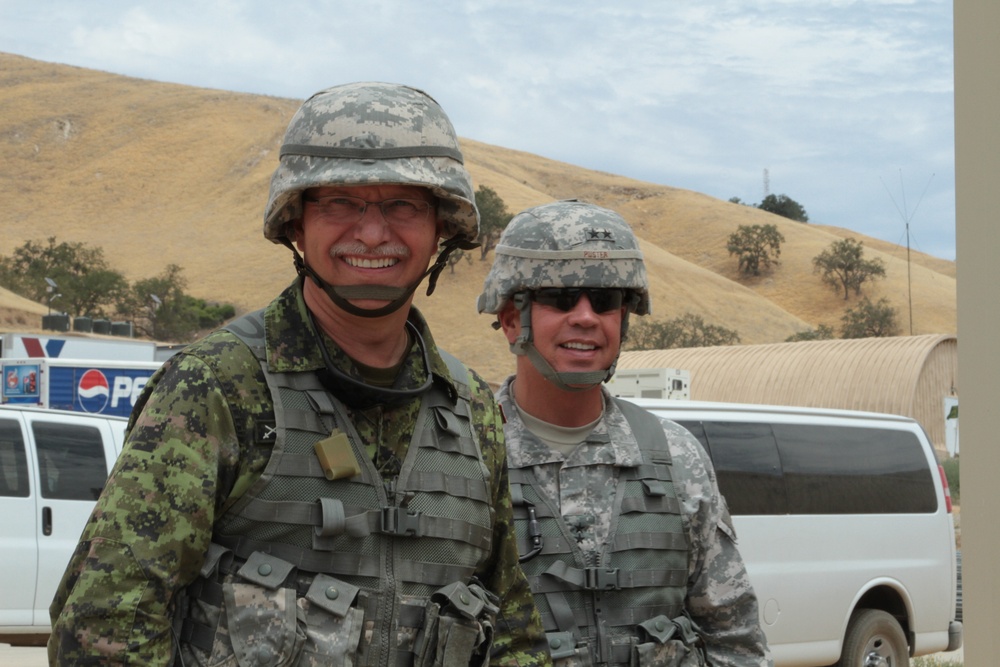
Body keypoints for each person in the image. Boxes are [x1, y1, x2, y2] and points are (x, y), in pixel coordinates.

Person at [49, 82, 551, 667]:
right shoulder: (218, 386)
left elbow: (515, 630)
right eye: (339, 202)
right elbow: (107, 626)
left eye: (403, 206)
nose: (371, 233)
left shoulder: (470, 409)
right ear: (295, 223)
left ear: (442, 227)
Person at [477, 200, 772, 667]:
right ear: (513, 318)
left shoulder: (675, 457)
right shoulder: (465, 455)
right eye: (559, 298)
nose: (586, 317)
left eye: (605, 300)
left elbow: (734, 640)